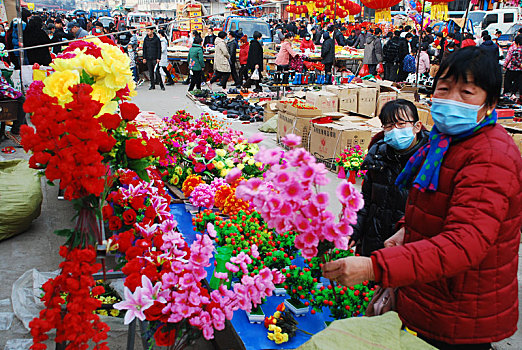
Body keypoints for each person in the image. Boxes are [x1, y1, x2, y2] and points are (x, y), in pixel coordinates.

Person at [323, 46, 521, 350]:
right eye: (444, 88)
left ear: (490, 102)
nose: (451, 99)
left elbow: (463, 243)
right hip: (433, 291)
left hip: (461, 306)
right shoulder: (445, 143)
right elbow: (437, 203)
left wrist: (375, 267)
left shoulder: (490, 155)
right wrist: (407, 228)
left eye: (466, 92)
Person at [350, 99, 429, 256]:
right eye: (389, 126)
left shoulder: (430, 161)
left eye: (401, 124)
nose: (395, 130)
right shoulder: (378, 155)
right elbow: (365, 199)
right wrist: (355, 229)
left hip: (407, 245)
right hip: (374, 240)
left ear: (417, 127)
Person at [503, 35, 522, 101]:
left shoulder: (513, 48)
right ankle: (513, 94)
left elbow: (508, 58)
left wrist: (505, 66)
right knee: (517, 82)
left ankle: (506, 94)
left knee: (508, 81)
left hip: (512, 68)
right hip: (520, 70)